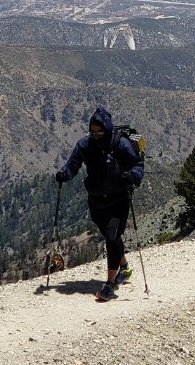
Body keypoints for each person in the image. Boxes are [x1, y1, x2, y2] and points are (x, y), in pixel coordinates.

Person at [56, 106, 144, 301]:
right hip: (96, 202)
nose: (96, 135)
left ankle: (109, 285)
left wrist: (133, 176)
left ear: (107, 129)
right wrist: (64, 174)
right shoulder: (85, 145)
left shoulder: (121, 145)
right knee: (111, 238)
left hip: (118, 200)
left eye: (100, 131)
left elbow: (137, 165)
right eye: (93, 131)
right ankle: (125, 269)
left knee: (112, 239)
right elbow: (73, 164)